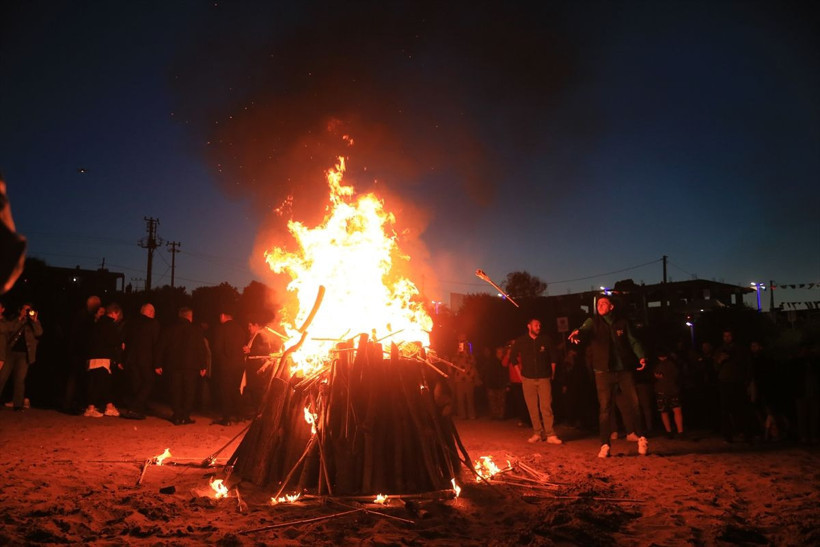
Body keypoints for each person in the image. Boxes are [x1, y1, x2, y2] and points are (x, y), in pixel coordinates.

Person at [568, 295, 648, 457]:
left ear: (611, 307)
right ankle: (605, 444)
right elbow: (583, 329)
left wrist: (641, 356)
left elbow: (633, 341)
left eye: (604, 303)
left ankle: (641, 438)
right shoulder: (593, 322)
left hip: (623, 370)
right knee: (604, 409)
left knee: (634, 404)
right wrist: (577, 333)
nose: (600, 306)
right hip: (603, 372)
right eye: (598, 304)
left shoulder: (622, 323)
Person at [504, 318, 562, 445]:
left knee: (546, 406)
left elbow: (553, 355)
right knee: (532, 408)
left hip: (544, 377)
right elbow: (513, 357)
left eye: (539, 325)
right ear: (529, 326)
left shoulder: (545, 340)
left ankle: (550, 434)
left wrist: (552, 371)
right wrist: (519, 374)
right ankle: (537, 433)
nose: (538, 327)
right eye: (536, 325)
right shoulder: (521, 341)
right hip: (528, 379)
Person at [156, 307, 208, 425]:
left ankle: (176, 415)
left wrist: (158, 364)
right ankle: (185, 415)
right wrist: (203, 365)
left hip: (173, 365)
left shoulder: (170, 329)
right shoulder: (196, 330)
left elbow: (161, 347)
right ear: (190, 316)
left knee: (175, 390)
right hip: (191, 366)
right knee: (189, 391)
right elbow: (201, 349)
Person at [714, 329, 757, 443]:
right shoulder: (720, 350)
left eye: (729, 336)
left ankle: (745, 433)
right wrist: (720, 360)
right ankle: (727, 435)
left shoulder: (741, 350)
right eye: (725, 336)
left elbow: (748, 365)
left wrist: (748, 380)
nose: (727, 338)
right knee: (725, 410)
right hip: (724, 382)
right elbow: (716, 368)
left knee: (741, 408)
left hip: (738, 382)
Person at [63, 295, 102, 414]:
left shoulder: (80, 315)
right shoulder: (87, 318)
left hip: (75, 351)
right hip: (80, 352)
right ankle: (72, 404)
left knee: (74, 378)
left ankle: (70, 403)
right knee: (76, 378)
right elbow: (87, 336)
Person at [84, 303, 124, 417]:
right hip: (103, 357)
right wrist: (120, 344)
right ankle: (94, 407)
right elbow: (112, 340)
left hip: (93, 356)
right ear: (114, 313)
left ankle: (107, 406)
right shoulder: (109, 325)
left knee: (100, 382)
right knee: (102, 383)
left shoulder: (98, 323)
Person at [0, 303, 42, 410]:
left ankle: (18, 404)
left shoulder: (32, 322)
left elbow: (39, 333)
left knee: (20, 379)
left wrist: (35, 321)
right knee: (2, 377)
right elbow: (10, 329)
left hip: (24, 354)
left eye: (29, 310)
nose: (27, 312)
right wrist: (20, 318)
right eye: (25, 309)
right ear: (20, 310)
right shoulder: (15, 320)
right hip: (10, 352)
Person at [122, 302, 160, 417]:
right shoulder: (153, 323)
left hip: (131, 358)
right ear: (150, 312)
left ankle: (140, 406)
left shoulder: (131, 323)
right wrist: (157, 362)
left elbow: (125, 340)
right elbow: (155, 343)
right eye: (153, 311)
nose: (154, 313)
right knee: (149, 381)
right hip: (146, 358)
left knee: (137, 383)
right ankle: (135, 407)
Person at [211, 307, 247, 425]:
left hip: (226, 364)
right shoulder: (240, 329)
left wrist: (218, 362)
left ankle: (226, 418)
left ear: (222, 316)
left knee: (225, 391)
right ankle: (240, 415)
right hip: (239, 364)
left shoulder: (221, 329)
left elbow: (217, 348)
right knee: (236, 389)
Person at [653, 347, 684, 438]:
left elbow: (655, 376)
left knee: (664, 411)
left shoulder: (657, 365)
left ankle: (669, 431)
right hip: (673, 390)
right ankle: (680, 431)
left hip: (661, 391)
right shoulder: (673, 364)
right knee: (677, 410)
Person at [450, 335, 479, 420]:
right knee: (460, 399)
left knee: (470, 398)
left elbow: (474, 363)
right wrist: (457, 354)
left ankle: (472, 414)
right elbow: (453, 364)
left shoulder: (470, 355)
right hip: (459, 379)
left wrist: (467, 355)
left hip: (469, 378)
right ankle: (462, 415)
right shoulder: (456, 355)